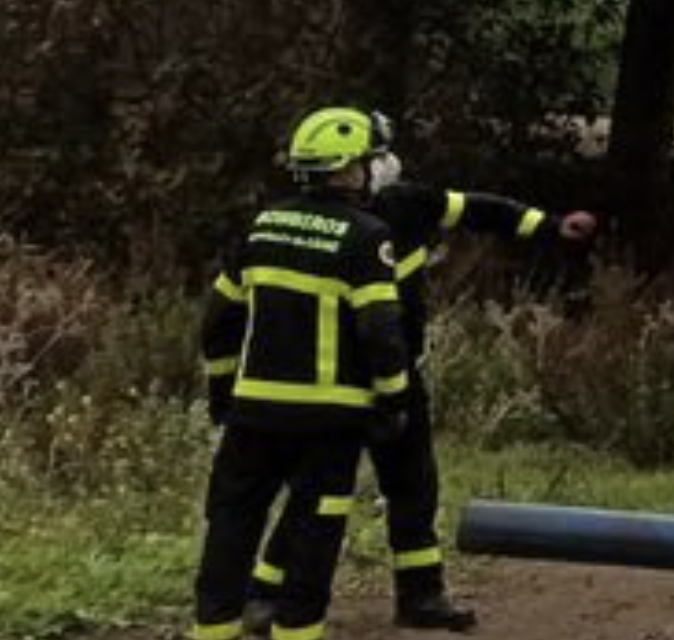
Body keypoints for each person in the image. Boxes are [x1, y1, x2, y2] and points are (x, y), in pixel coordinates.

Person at [251, 113, 599, 633]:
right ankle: (266, 594)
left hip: (400, 375)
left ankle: (421, 594)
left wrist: (549, 226)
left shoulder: (406, 205)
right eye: (375, 155)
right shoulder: (315, 224)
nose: (385, 163)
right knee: (317, 492)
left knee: (414, 487)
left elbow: (477, 209)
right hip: (338, 383)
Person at [190, 108, 413, 640]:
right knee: (314, 539)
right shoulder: (367, 236)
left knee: (231, 526)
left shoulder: (262, 225)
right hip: (329, 423)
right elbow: (381, 330)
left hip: (253, 415)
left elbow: (218, 321)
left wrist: (223, 389)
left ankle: (212, 631)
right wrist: (394, 400)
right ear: (346, 170)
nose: (373, 169)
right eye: (367, 160)